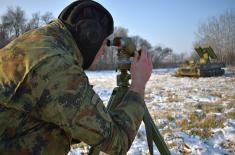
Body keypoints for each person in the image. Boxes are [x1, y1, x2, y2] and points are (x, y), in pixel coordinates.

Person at [0, 0, 152, 154]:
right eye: (103, 43)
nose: (104, 52)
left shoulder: (37, 41)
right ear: (90, 37)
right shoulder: (57, 67)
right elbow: (118, 142)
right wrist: (138, 83)